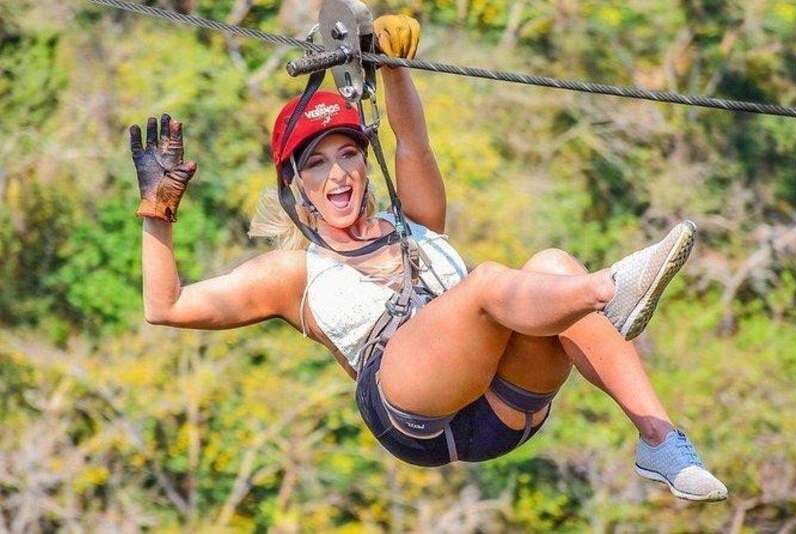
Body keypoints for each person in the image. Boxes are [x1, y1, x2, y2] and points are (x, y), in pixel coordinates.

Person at [129, 15, 728, 501]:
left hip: (501, 406)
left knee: (551, 264)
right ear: (295, 186)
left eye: (348, 156)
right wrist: (158, 214)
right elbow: (166, 306)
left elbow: (411, 141)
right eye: (316, 164)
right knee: (494, 283)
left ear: (365, 164)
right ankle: (605, 292)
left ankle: (660, 440)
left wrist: (391, 67)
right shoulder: (293, 272)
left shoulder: (413, 224)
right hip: (410, 411)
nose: (337, 175)